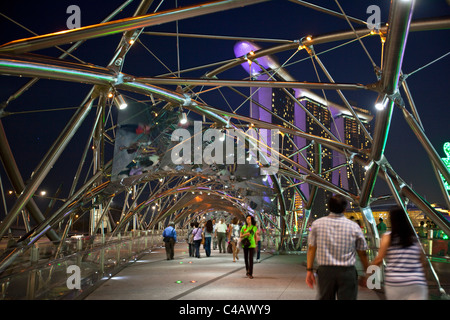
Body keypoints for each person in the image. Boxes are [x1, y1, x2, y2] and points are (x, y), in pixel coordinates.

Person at [306, 195, 369, 300]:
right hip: (347, 272)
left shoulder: (317, 224)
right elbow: (362, 253)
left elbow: (311, 248)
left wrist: (309, 270)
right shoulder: (354, 226)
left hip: (325, 272)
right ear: (344, 209)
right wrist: (367, 273)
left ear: (329, 207)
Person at [371, 206, 428, 300]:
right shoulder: (414, 238)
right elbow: (423, 262)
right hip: (416, 283)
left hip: (395, 284)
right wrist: (423, 280)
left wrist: (368, 276)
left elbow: (379, 259)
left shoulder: (388, 237)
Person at [241, 214, 257, 279]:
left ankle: (250, 273)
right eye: (247, 219)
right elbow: (241, 236)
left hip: (251, 244)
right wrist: (245, 234)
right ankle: (247, 270)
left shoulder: (254, 227)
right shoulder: (243, 227)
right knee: (246, 258)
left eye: (249, 219)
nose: (248, 220)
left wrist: (255, 244)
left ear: (251, 220)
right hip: (245, 244)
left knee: (251, 259)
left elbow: (255, 236)